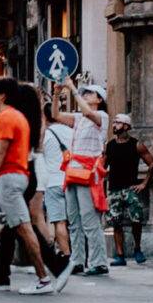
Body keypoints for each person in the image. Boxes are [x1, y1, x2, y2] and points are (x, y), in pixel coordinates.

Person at [0, 77, 54, 294]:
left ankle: (44, 278)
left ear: (1, 96)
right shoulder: (18, 117)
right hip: (13, 176)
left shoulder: (5, 118)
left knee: (25, 228)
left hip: (10, 178)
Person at [54, 78, 110, 276]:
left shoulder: (101, 116)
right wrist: (55, 94)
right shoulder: (79, 118)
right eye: (84, 92)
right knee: (74, 220)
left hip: (88, 173)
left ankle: (98, 261)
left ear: (99, 100)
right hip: (73, 171)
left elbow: (87, 112)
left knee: (89, 219)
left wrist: (71, 88)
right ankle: (77, 260)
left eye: (90, 93)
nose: (86, 95)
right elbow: (55, 115)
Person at [105, 114, 153, 266]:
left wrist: (144, 183)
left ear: (126, 126)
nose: (114, 125)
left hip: (130, 188)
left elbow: (152, 164)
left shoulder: (136, 144)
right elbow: (103, 168)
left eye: (118, 123)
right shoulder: (110, 145)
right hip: (114, 189)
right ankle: (120, 255)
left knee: (136, 220)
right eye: (114, 122)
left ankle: (137, 249)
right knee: (115, 222)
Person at [36, 107, 73, 262]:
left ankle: (66, 255)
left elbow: (38, 154)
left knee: (59, 221)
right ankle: (80, 256)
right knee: (75, 222)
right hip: (72, 179)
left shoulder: (46, 134)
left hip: (53, 181)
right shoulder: (72, 132)